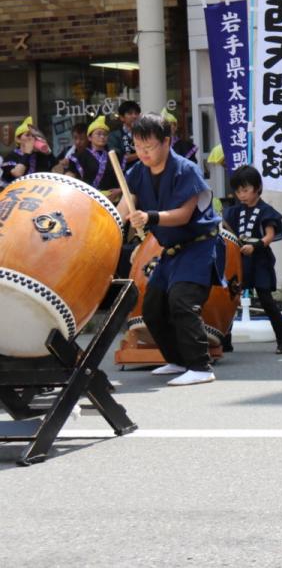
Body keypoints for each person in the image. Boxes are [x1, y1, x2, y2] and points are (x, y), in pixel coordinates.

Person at [118, 113, 224, 387]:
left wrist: (149, 217)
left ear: (166, 142)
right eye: (138, 147)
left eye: (149, 146)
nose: (143, 153)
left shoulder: (186, 169)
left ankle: (200, 366)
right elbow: (125, 206)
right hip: (171, 250)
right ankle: (177, 360)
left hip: (199, 245)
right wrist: (113, 223)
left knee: (182, 301)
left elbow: (183, 215)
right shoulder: (137, 172)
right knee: (152, 308)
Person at [223, 165, 282, 354]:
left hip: (260, 259)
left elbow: (270, 236)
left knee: (266, 300)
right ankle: (225, 341)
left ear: (257, 188)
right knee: (231, 299)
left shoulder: (265, 210)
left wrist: (255, 246)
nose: (241, 195)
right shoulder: (234, 211)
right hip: (239, 260)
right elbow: (227, 232)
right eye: (238, 191)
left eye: (245, 190)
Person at [67, 115, 122, 201]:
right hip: (87, 199)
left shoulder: (115, 155)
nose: (102, 137)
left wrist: (119, 190)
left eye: (105, 134)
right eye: (99, 134)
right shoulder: (79, 156)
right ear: (89, 137)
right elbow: (70, 178)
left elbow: (125, 177)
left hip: (112, 200)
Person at [2, 117, 54, 186]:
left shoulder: (40, 156)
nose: (32, 138)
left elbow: (58, 171)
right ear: (18, 139)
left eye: (34, 136)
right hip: (16, 191)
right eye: (28, 135)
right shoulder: (11, 156)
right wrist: (27, 153)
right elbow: (17, 173)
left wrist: (49, 152)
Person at [115, 100, 141, 168]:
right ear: (122, 117)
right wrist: (141, 154)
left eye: (136, 113)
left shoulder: (144, 133)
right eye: (130, 113)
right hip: (124, 173)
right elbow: (117, 158)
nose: (134, 116)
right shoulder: (114, 136)